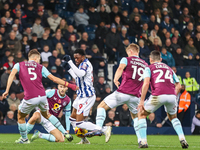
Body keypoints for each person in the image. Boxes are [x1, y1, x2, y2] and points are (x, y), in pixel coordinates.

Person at [2, 49, 78, 144]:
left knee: (20, 117)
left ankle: (24, 139)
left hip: (30, 97)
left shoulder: (19, 65)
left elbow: (11, 75)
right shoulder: (41, 67)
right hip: (42, 96)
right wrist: (71, 85)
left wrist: (7, 90)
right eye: (39, 59)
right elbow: (54, 78)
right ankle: (64, 133)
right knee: (47, 114)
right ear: (35, 58)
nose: (39, 61)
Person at [92, 44, 148, 144]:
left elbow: (120, 68)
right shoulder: (145, 64)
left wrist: (115, 78)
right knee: (136, 117)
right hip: (136, 96)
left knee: (101, 107)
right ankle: (141, 140)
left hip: (123, 92)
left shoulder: (126, 59)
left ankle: (99, 128)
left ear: (130, 51)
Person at [137, 50, 188, 148]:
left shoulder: (149, 68)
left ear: (150, 59)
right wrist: (174, 96)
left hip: (158, 94)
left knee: (141, 114)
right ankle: (182, 139)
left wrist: (142, 101)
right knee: (173, 117)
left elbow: (146, 83)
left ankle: (143, 142)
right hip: (172, 96)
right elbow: (178, 85)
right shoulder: (169, 68)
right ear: (160, 59)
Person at [63, 49, 111, 144]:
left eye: (77, 57)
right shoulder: (81, 64)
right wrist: (69, 69)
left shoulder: (85, 64)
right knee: (72, 119)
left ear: (83, 56)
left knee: (79, 123)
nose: (76, 59)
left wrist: (70, 62)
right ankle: (84, 140)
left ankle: (103, 129)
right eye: (74, 58)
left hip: (87, 96)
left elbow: (80, 73)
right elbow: (77, 77)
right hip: (81, 95)